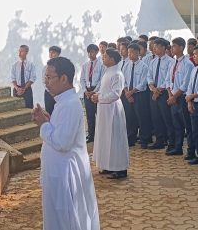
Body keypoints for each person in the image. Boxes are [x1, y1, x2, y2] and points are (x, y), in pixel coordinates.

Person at [32, 57, 100, 230]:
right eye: (45, 78)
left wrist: (43, 124)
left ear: (63, 78)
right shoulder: (63, 102)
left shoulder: (69, 104)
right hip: (59, 171)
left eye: (49, 77)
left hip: (65, 174)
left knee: (67, 219)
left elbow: (62, 142)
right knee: (59, 217)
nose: (46, 82)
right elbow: (61, 133)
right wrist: (49, 122)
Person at [92, 49, 129, 179]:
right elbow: (103, 89)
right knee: (106, 138)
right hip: (104, 110)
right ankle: (109, 165)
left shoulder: (117, 74)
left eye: (106, 56)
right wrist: (96, 95)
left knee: (115, 139)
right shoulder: (108, 71)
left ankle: (120, 168)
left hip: (113, 110)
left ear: (112, 59)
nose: (103, 58)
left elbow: (115, 94)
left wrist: (99, 97)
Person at [166, 37, 194, 156]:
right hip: (173, 97)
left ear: (181, 47)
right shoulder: (173, 62)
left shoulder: (188, 64)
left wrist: (175, 96)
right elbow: (168, 79)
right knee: (176, 124)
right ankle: (178, 148)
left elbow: (185, 84)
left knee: (187, 125)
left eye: (174, 46)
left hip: (182, 98)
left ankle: (191, 150)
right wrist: (170, 95)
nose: (172, 48)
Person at [147, 38, 173, 150]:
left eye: (156, 46)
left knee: (167, 117)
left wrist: (159, 90)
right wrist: (153, 88)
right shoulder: (152, 62)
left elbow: (168, 78)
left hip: (165, 93)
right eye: (153, 46)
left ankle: (171, 141)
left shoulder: (170, 61)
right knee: (155, 117)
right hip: (154, 92)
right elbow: (149, 76)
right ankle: (159, 140)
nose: (154, 48)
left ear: (163, 47)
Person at [123, 43, 149, 148]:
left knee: (141, 117)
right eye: (128, 52)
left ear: (138, 53)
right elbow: (123, 80)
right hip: (128, 94)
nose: (130, 55)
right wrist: (126, 93)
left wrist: (132, 92)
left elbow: (143, 83)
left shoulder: (144, 66)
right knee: (130, 117)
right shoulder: (126, 65)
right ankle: (130, 138)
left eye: (132, 52)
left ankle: (144, 140)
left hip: (139, 95)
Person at [81, 44, 104, 143]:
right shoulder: (85, 65)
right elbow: (82, 79)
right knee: (89, 115)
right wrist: (85, 91)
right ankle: (91, 135)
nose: (91, 54)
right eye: (89, 52)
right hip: (87, 92)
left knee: (98, 114)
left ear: (97, 52)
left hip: (96, 91)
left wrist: (94, 91)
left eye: (93, 52)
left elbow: (101, 80)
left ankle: (100, 135)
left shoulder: (101, 65)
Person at [45, 46, 61, 114]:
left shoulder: (62, 66)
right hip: (48, 93)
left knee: (59, 112)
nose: (51, 54)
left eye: (53, 53)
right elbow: (44, 81)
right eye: (50, 53)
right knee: (49, 112)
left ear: (58, 54)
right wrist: (51, 91)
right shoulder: (46, 67)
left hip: (59, 93)